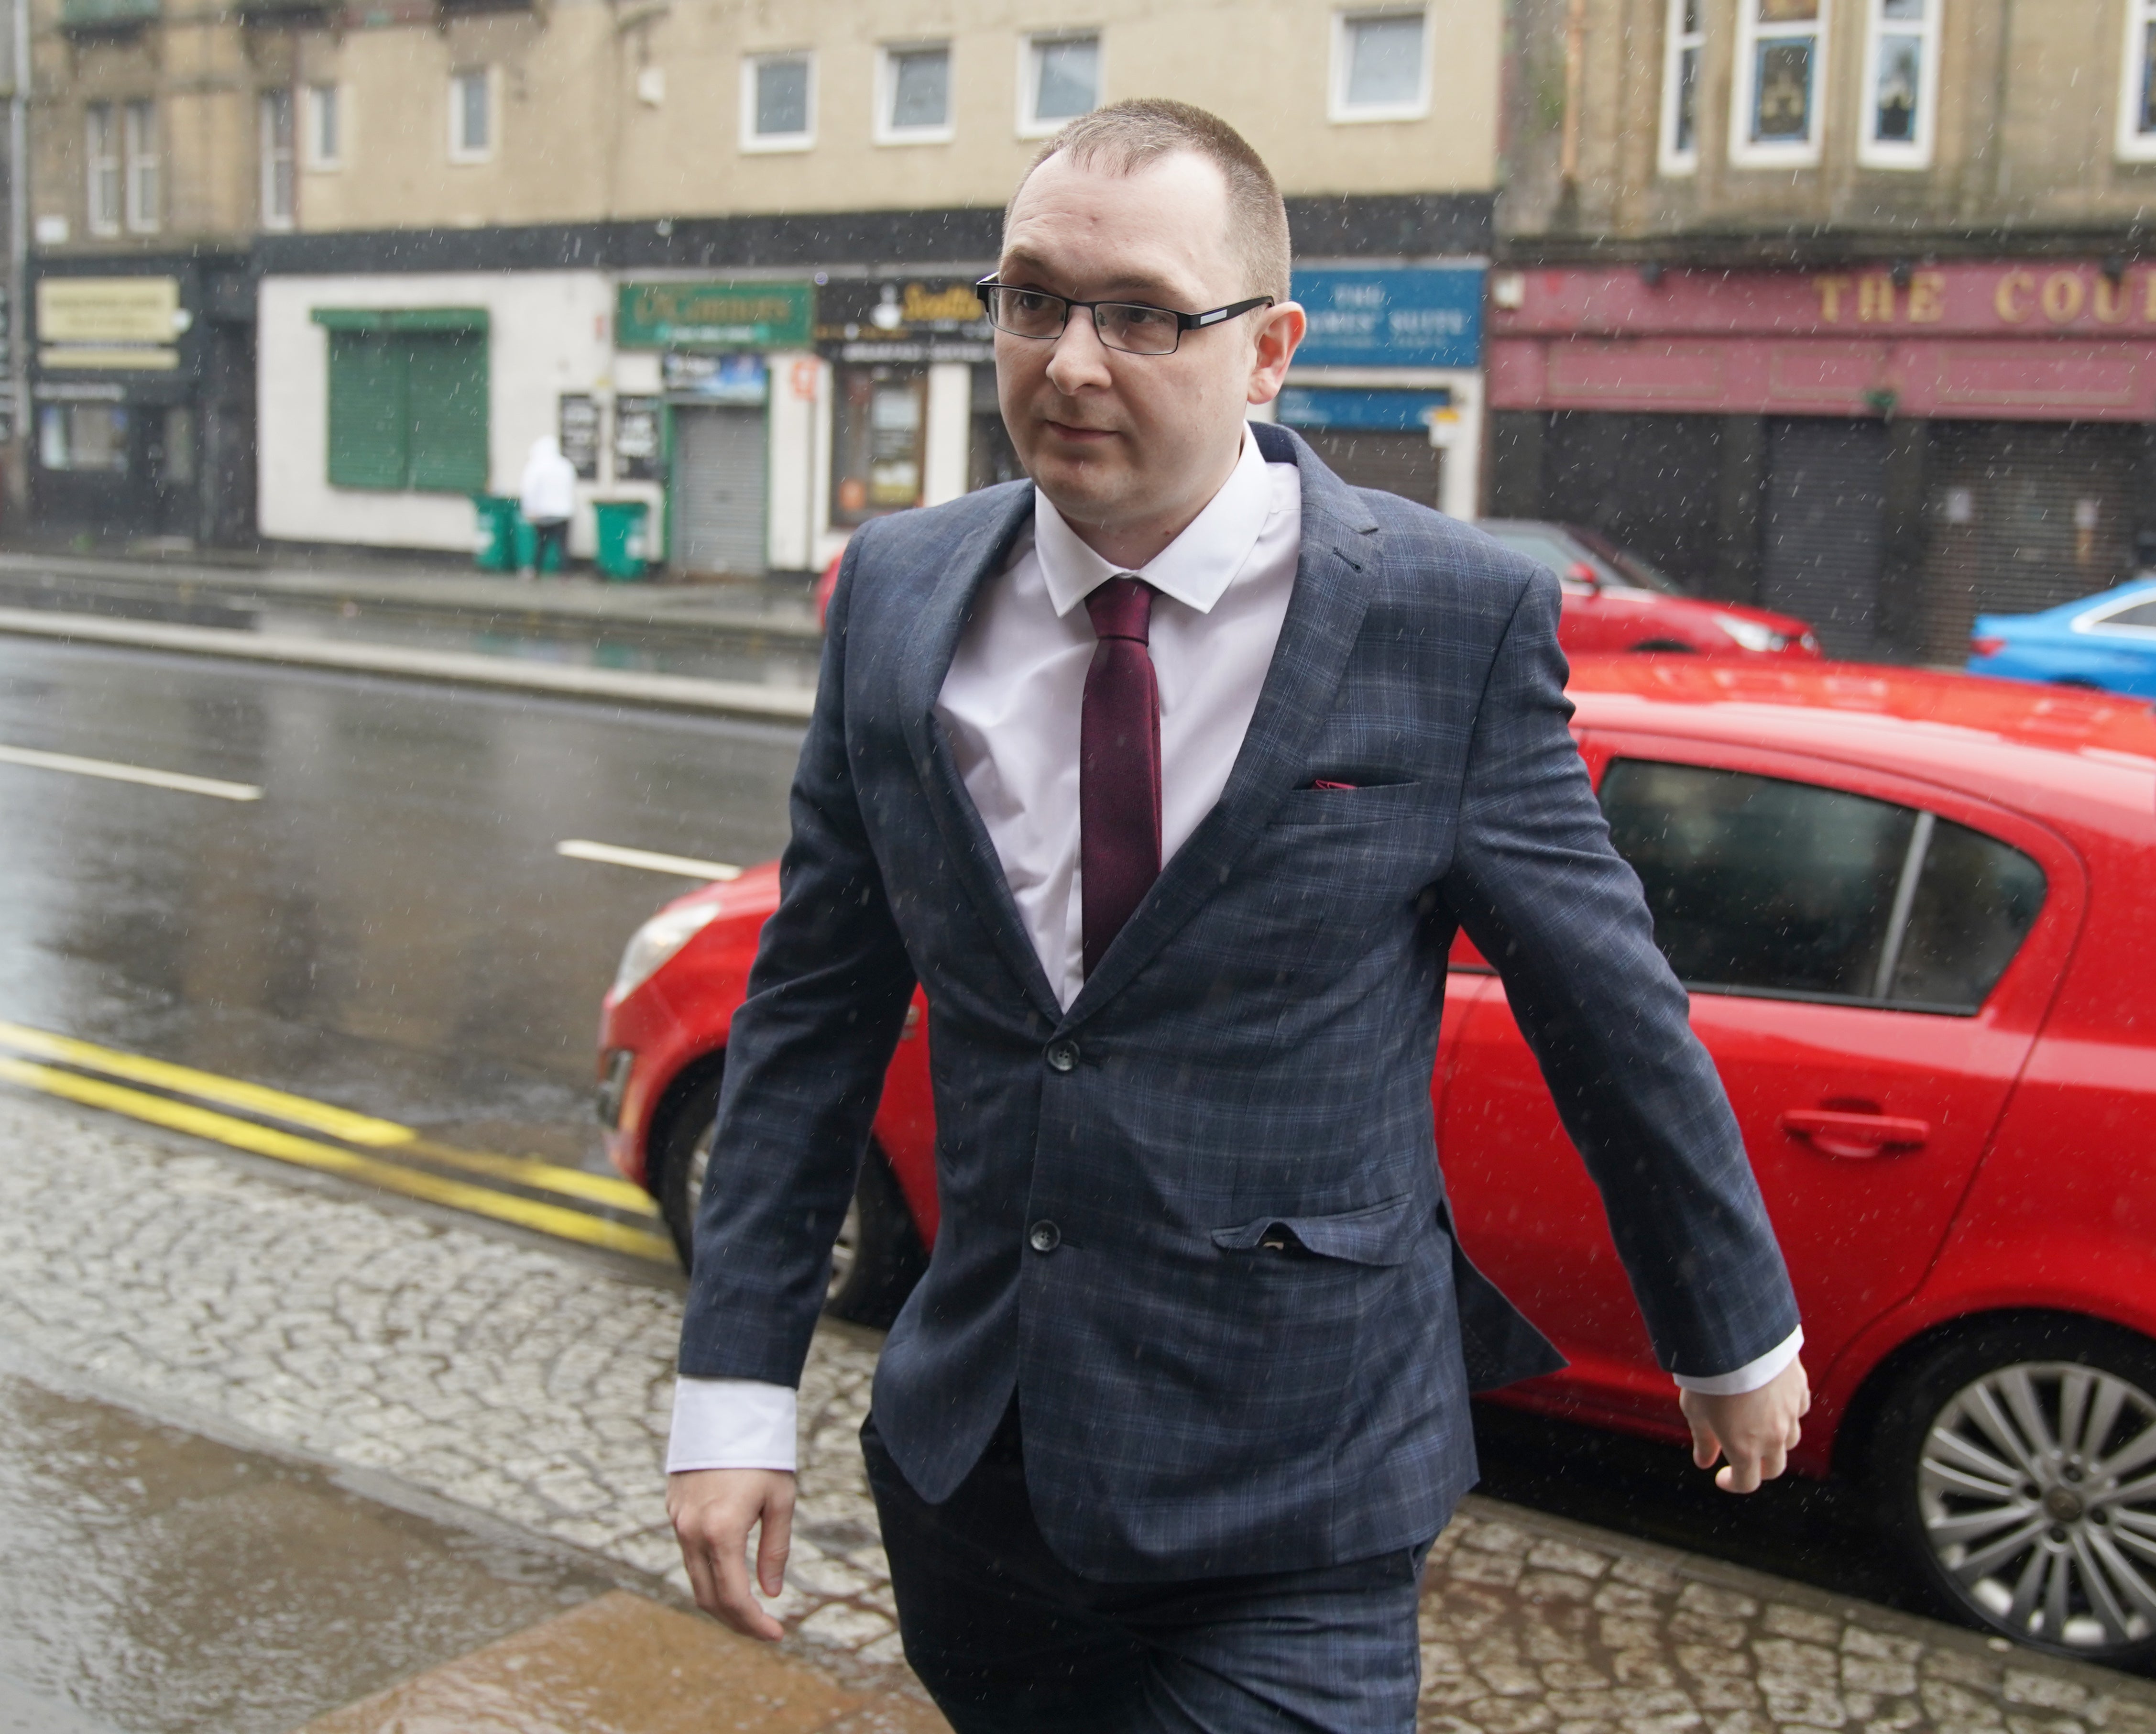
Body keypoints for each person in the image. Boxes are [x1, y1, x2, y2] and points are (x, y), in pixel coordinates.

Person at [666, 99, 1807, 1733]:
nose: (1068, 361)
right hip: (977, 1484)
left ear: (1268, 351)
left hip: (1300, 1493)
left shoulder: (1448, 615)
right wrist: (732, 1394)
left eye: (1139, 314)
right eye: (1031, 300)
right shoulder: (900, 597)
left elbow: (1603, 1001)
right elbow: (811, 1012)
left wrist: (1729, 1322)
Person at [519, 435, 577, 577]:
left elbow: (529, 490)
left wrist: (529, 510)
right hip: (564, 513)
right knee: (563, 547)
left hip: (543, 513)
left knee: (541, 545)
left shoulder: (535, 467)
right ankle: (565, 574)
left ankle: (535, 571)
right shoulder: (566, 465)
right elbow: (571, 487)